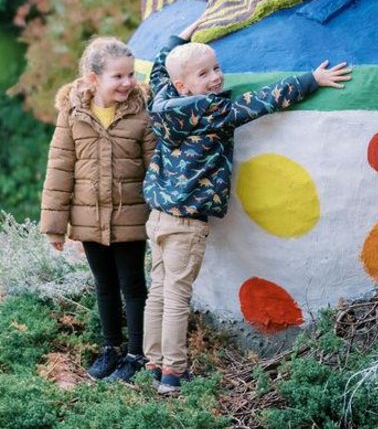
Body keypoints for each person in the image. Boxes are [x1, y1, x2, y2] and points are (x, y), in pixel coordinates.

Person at [143, 21, 352, 394]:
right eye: (204, 73)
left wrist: (176, 40)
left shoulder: (159, 101)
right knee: (176, 296)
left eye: (216, 68)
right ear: (183, 85)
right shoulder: (212, 112)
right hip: (186, 222)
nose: (216, 77)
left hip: (158, 217)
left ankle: (154, 361)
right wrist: (311, 80)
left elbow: (160, 67)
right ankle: (173, 374)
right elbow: (260, 101)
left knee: (158, 290)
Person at [40, 37, 157, 382]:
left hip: (131, 216)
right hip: (88, 217)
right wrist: (54, 226)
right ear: (94, 79)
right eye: (117, 76)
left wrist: (164, 213)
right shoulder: (73, 115)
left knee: (133, 285)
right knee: (104, 285)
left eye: (130, 75)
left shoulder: (141, 115)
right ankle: (112, 349)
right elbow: (59, 170)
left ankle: (136, 355)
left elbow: (155, 168)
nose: (127, 83)